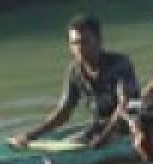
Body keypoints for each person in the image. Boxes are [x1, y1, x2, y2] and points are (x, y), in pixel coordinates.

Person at [10, 15, 139, 149]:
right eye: (74, 43)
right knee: (71, 142)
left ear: (99, 41)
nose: (79, 48)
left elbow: (126, 105)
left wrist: (104, 137)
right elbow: (64, 111)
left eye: (84, 42)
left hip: (131, 125)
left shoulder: (119, 63)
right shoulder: (75, 71)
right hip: (101, 126)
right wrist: (32, 135)